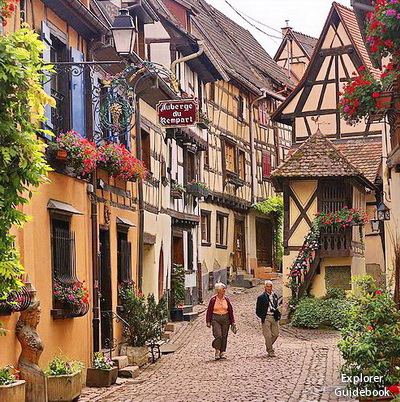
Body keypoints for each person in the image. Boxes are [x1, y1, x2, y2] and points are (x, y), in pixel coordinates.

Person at [206, 282, 235, 360]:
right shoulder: (213, 300)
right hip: (216, 319)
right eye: (223, 289)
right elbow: (209, 311)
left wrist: (232, 322)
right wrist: (208, 321)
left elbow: (230, 311)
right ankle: (217, 350)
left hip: (225, 319)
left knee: (224, 336)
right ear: (218, 291)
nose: (224, 290)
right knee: (218, 335)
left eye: (224, 289)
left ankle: (222, 352)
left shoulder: (227, 299)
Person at [256, 280, 282, 357]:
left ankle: (268, 344)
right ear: (265, 287)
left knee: (276, 334)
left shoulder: (275, 296)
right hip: (266, 317)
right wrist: (262, 316)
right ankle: (270, 350)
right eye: (267, 286)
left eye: (270, 286)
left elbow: (276, 305)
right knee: (268, 336)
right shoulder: (261, 297)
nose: (269, 288)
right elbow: (258, 310)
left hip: (274, 317)